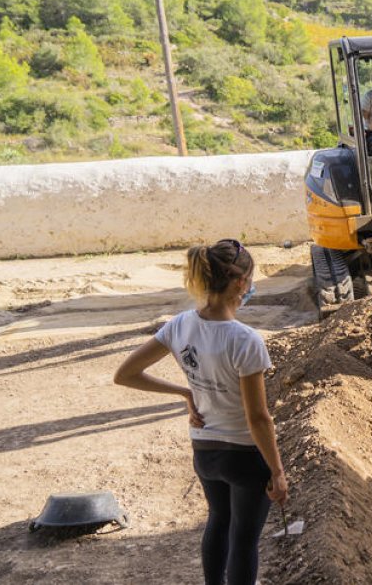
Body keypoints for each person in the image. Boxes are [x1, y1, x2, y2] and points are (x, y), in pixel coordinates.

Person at [115, 239, 288, 585]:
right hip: (244, 455)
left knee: (218, 522)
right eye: (251, 279)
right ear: (240, 283)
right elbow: (258, 418)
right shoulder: (245, 340)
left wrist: (185, 392)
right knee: (243, 540)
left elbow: (125, 374)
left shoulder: (179, 325)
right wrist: (277, 471)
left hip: (205, 451)